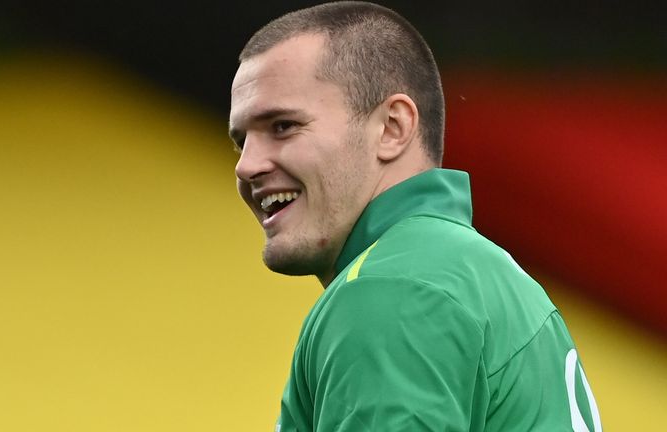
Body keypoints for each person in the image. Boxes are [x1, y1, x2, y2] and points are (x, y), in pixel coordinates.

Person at [228, 2, 601, 431]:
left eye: (283, 126)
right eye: (241, 141)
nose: (246, 166)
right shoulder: (479, 275)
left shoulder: (393, 289)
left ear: (392, 127)